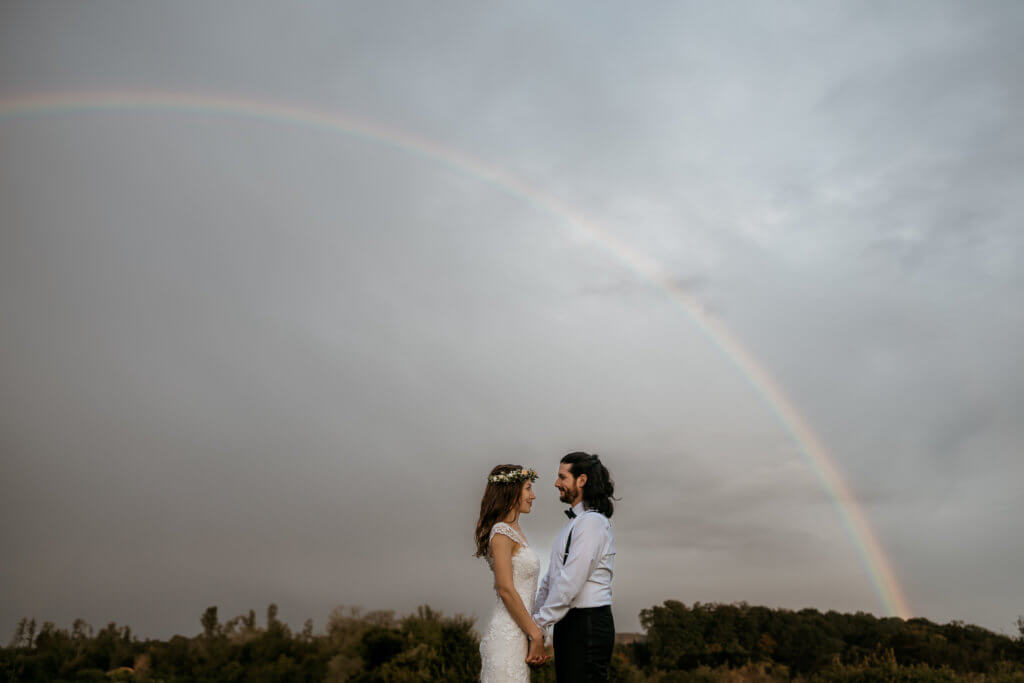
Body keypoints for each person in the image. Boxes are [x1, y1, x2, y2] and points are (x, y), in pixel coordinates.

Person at [533, 452, 617, 681]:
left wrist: (539, 624)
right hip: (568, 622)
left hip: (588, 624)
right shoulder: (572, 524)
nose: (556, 483)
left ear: (581, 480)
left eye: (562, 477)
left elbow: (570, 582)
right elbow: (551, 580)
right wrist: (534, 623)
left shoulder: (592, 524)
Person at [476, 464, 550, 681]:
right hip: (507, 636)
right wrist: (535, 634)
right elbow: (506, 588)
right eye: (528, 488)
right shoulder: (501, 532)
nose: (533, 496)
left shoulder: (516, 532)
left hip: (519, 634)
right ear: (511, 491)